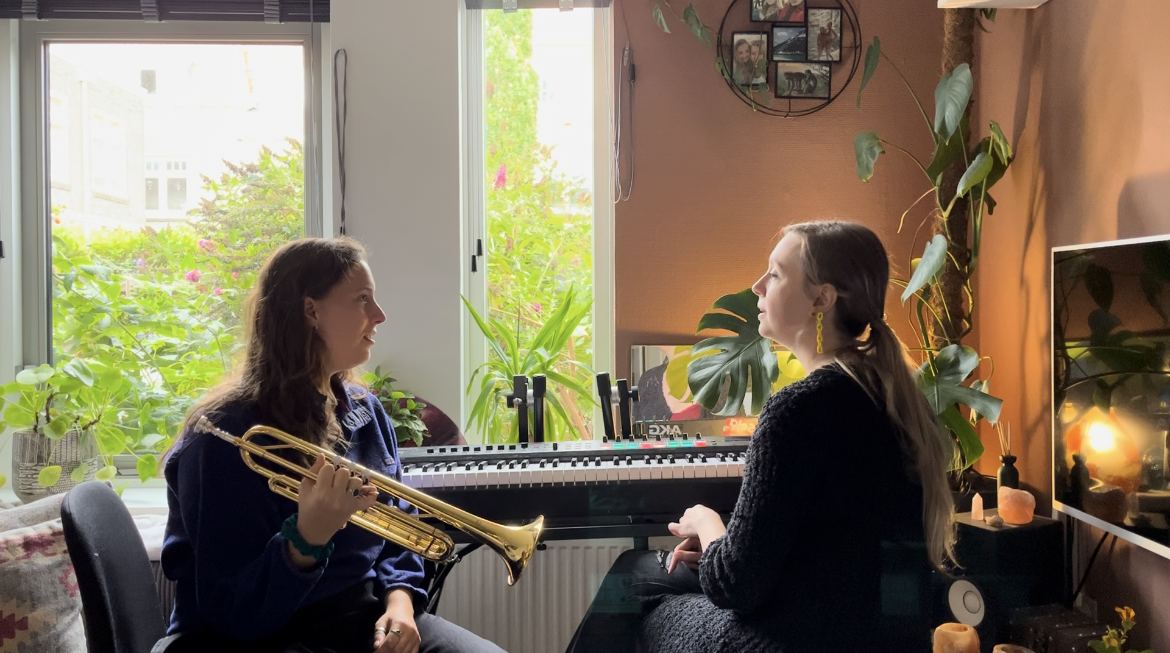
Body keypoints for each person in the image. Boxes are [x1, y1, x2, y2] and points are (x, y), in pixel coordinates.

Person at [565, 221, 955, 653]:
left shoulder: (799, 408)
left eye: (775, 274)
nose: (757, 286)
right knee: (638, 568)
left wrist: (706, 523)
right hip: (871, 636)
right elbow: (831, 543)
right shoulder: (895, 398)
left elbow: (734, 585)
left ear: (822, 300)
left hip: (784, 640)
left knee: (633, 585)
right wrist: (727, 543)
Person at [161, 237, 506, 653]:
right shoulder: (222, 435)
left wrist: (400, 604)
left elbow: (400, 529)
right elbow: (233, 612)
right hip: (262, 639)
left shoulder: (365, 410)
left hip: (360, 617)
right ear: (312, 311)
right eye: (362, 299)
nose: (379, 315)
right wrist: (307, 536)